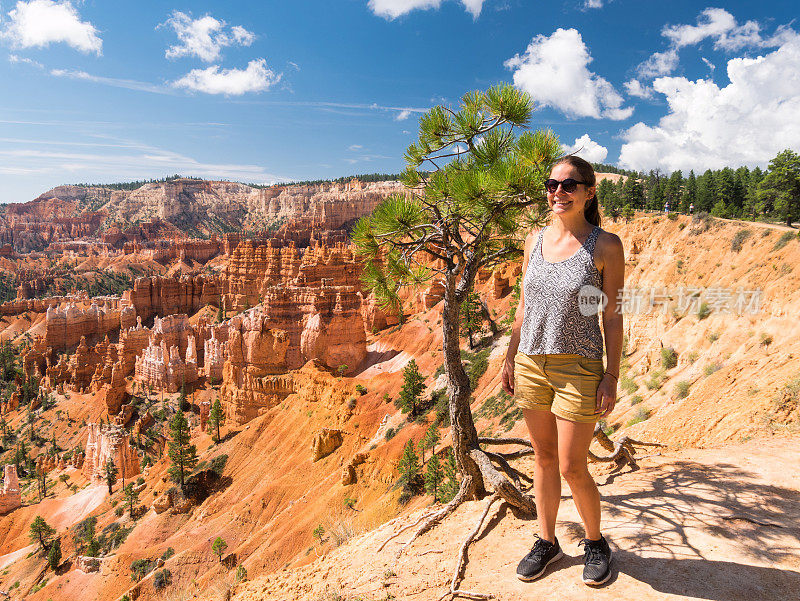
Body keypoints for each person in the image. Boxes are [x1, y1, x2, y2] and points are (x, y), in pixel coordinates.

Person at [502, 155, 625, 586]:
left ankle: (595, 543)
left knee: (574, 465)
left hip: (579, 365)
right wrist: (510, 353)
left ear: (589, 191)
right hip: (532, 362)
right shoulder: (533, 240)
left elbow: (610, 314)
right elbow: (524, 303)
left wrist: (611, 375)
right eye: (552, 184)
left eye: (569, 185)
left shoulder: (605, 245)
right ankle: (547, 541)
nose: (558, 192)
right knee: (544, 458)